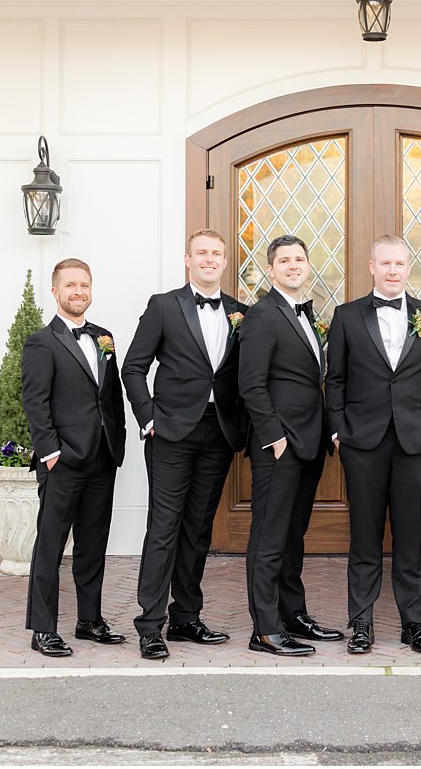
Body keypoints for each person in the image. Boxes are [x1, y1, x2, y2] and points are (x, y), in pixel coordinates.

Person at [121, 230, 248, 660]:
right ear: (187, 260)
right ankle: (150, 625)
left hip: (219, 433)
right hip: (171, 432)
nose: (210, 260)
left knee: (197, 529)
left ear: (225, 262)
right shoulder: (164, 305)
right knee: (164, 528)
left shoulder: (239, 313)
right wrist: (148, 418)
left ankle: (186, 618)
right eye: (202, 253)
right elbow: (133, 367)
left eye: (217, 254)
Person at [325, 235, 421, 654]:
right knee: (364, 535)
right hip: (363, 441)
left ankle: (414, 623)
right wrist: (339, 429)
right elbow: (335, 380)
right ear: (371, 267)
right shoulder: (346, 316)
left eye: (400, 263)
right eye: (386, 263)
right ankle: (361, 624)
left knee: (411, 537)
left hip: (417, 441)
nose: (393, 270)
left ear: (407, 267)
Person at [238, 234, 344, 656]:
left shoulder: (303, 313)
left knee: (292, 535)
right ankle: (264, 629)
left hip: (308, 443)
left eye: (299, 259)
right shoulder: (263, 315)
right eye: (284, 260)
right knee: (268, 537)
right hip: (278, 446)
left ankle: (293, 615)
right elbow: (251, 384)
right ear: (271, 269)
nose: (293, 265)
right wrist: (274, 437)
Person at [21, 258, 128, 657]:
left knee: (93, 543)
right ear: (56, 291)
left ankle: (89, 620)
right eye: (70, 286)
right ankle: (43, 628)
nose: (78, 292)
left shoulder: (104, 338)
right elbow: (35, 401)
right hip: (63, 460)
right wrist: (50, 452)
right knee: (51, 544)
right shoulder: (41, 342)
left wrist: (116, 442)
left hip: (102, 457)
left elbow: (110, 395)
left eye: (84, 285)